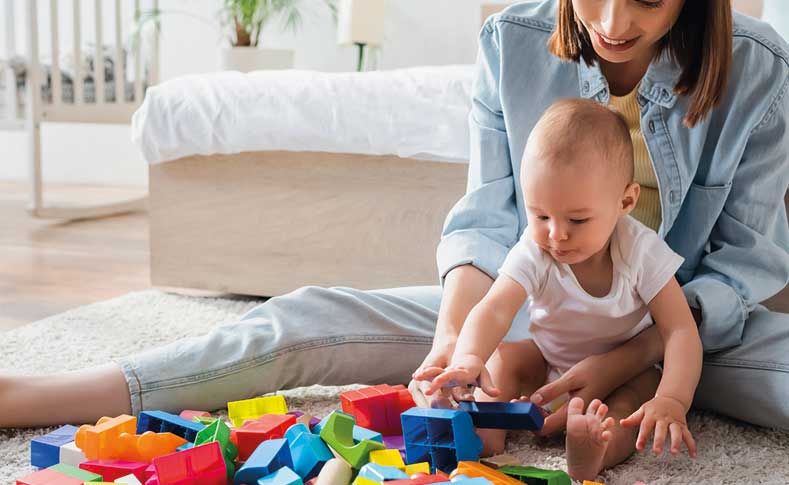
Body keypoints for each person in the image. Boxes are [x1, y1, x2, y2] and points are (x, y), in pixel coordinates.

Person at [0, 0, 787, 447]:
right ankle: (51, 389)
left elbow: (746, 267)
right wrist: (455, 341)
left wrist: (636, 359)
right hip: (531, 310)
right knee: (308, 316)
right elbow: (487, 222)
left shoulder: (758, 69)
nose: (612, 21)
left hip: (681, 325)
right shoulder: (509, 42)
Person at [415, 98, 701, 481]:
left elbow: (680, 329)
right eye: (540, 215)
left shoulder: (640, 251)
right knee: (504, 359)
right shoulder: (537, 249)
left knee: (633, 405)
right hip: (548, 361)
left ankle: (594, 449)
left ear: (625, 201)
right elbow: (495, 309)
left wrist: (673, 398)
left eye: (577, 219)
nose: (556, 234)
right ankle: (482, 432)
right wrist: (469, 357)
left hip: (624, 372)